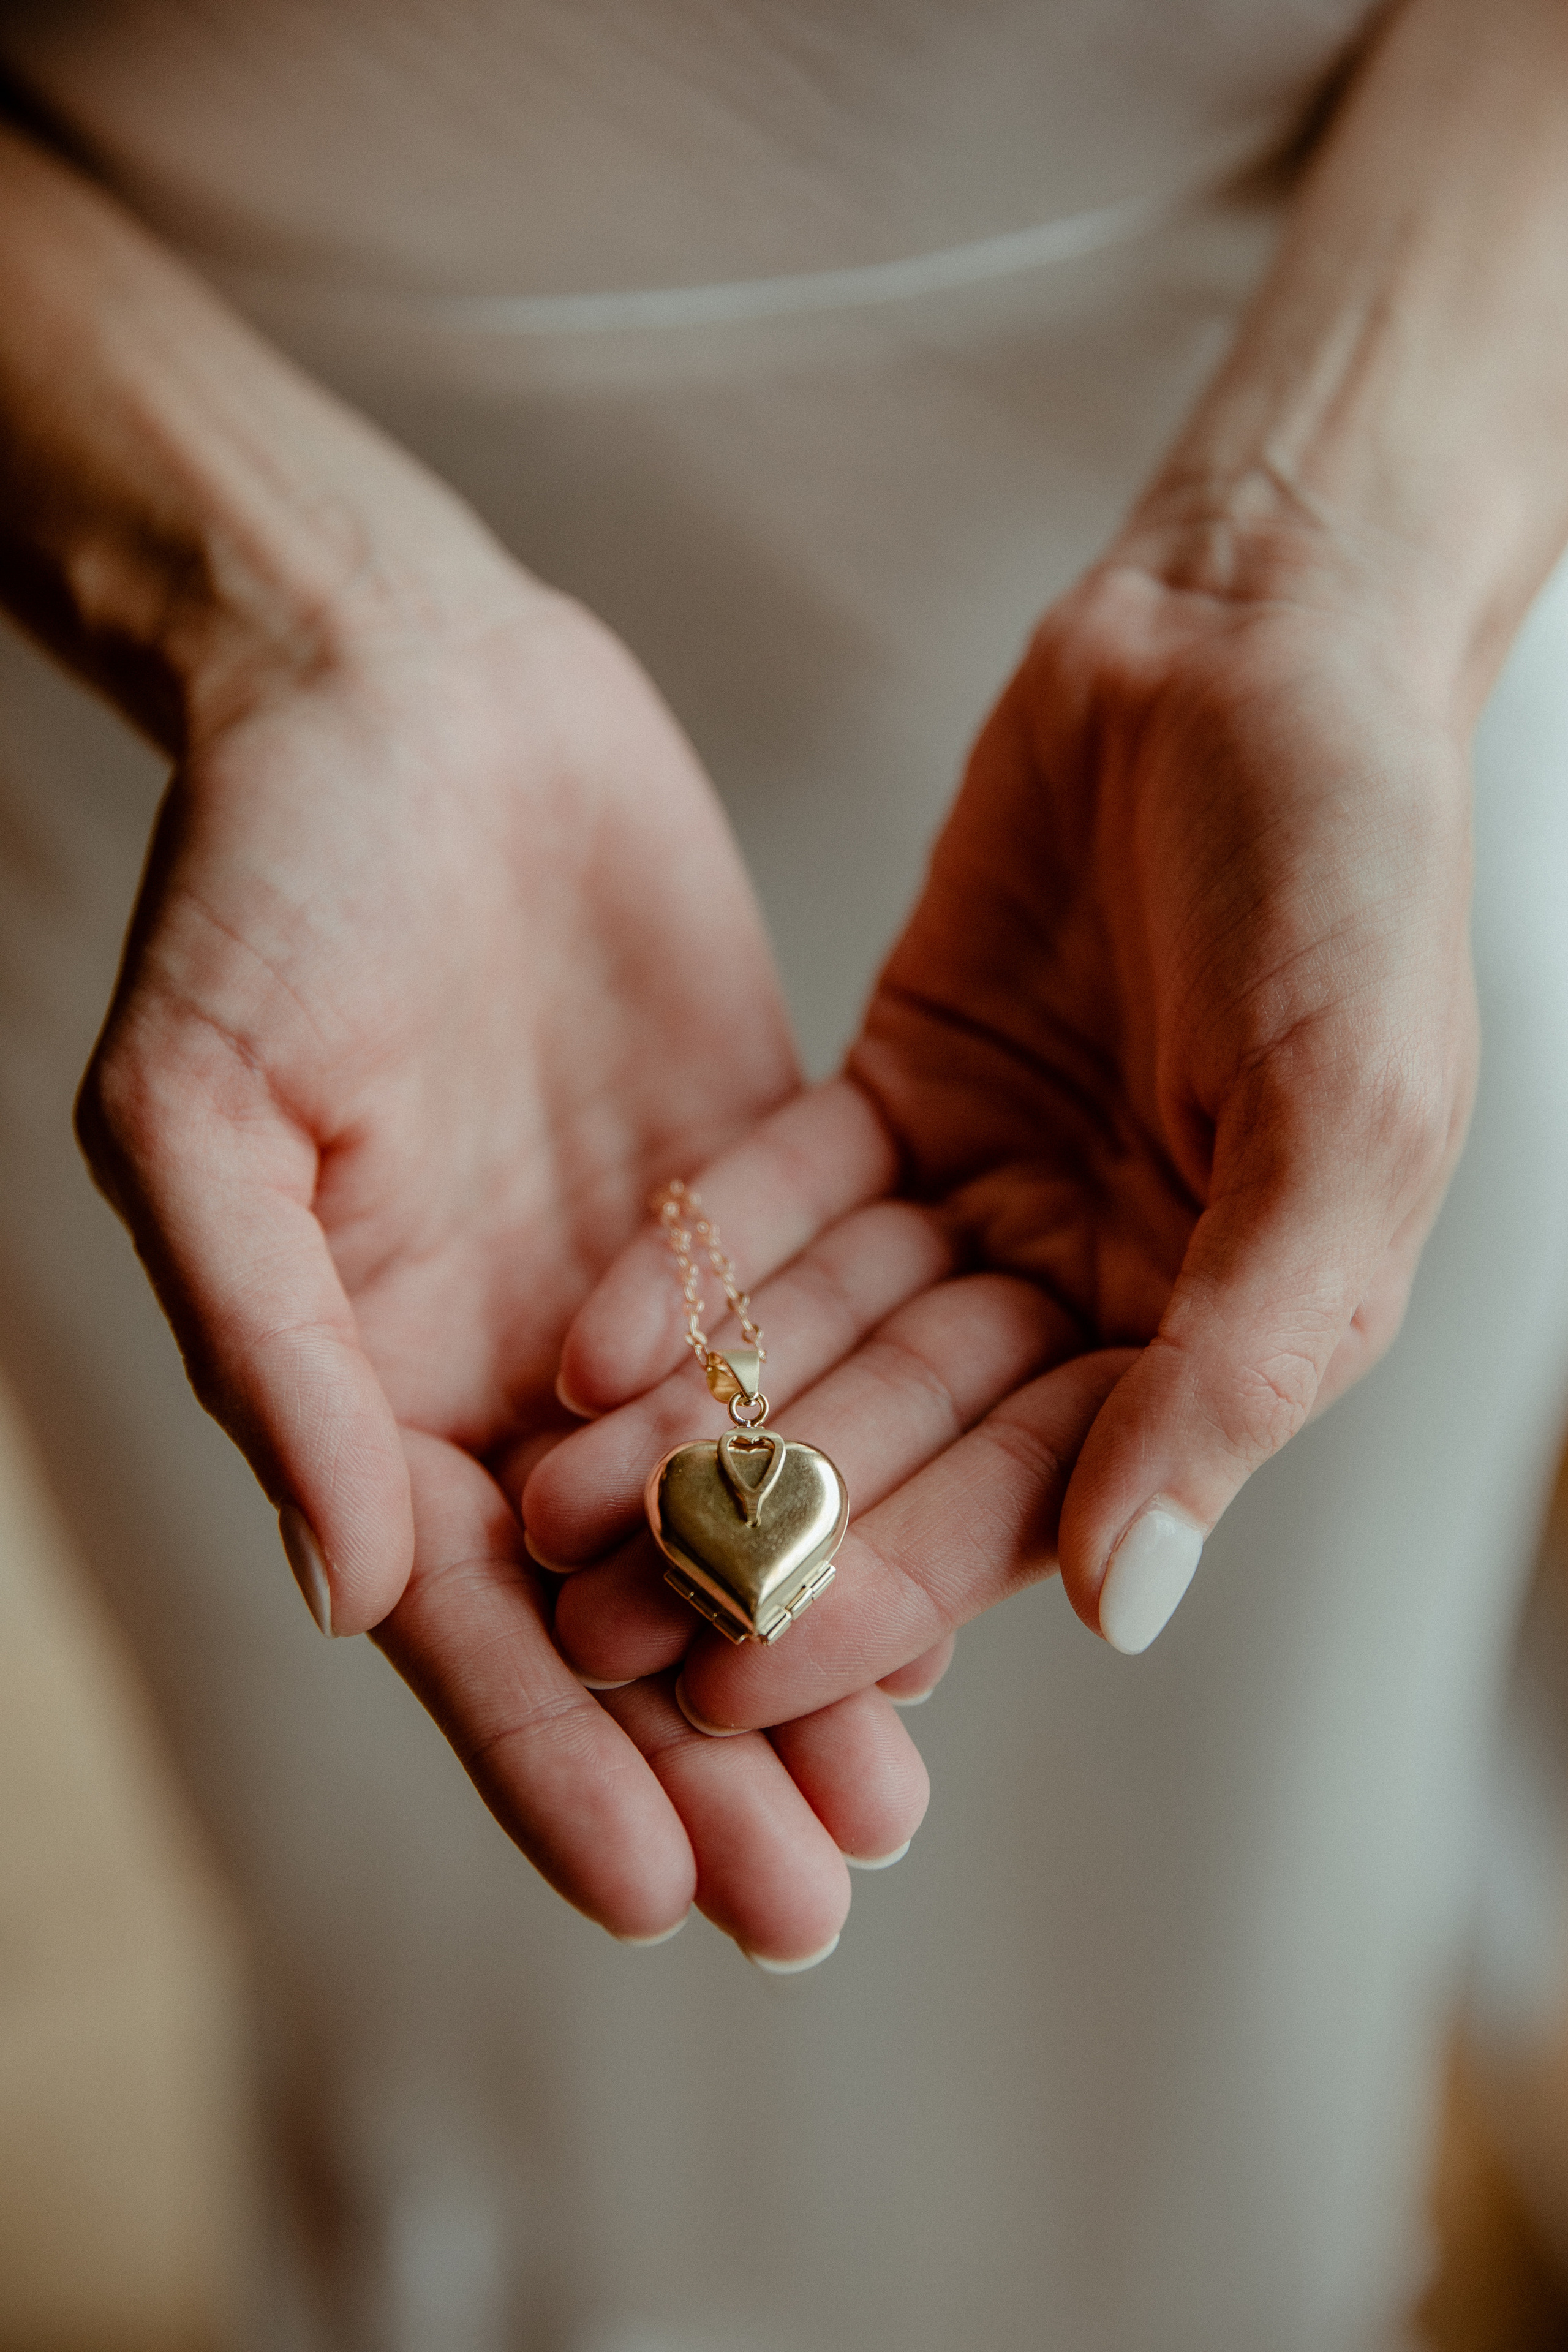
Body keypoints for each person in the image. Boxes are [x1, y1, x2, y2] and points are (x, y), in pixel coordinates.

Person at [2, 0, 1568, 2343]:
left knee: (1222, 1880)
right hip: (195, 625)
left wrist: (1329, 545)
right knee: (464, 1964)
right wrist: (273, 600)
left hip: (1342, 539)